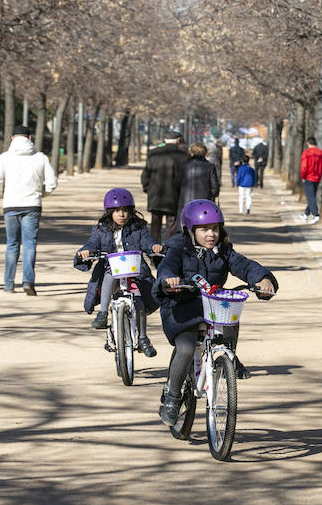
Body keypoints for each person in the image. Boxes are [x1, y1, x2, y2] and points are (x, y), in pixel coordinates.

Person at [152, 199, 278, 426]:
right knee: (186, 348)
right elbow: (166, 268)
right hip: (182, 307)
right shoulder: (178, 248)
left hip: (212, 307)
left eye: (215, 228)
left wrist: (262, 278)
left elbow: (244, 265)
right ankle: (172, 396)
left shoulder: (224, 251)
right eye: (204, 229)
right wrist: (168, 281)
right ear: (190, 230)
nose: (211, 234)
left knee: (230, 316)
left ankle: (228, 356)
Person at [75, 188, 163, 357]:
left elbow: (147, 241)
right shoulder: (101, 229)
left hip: (134, 272)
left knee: (139, 301)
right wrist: (85, 252)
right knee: (109, 275)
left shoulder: (138, 228)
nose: (121, 214)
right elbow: (92, 244)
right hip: (111, 269)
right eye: (116, 211)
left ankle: (143, 338)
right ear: (109, 212)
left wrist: (154, 247)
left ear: (131, 211)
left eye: (125, 210)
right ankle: (103, 314)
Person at [0, 125, 58, 295]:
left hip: (10, 205)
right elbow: (52, 182)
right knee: (29, 244)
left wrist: (2, 194)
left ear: (12, 138)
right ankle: (28, 281)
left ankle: (8, 284)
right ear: (29, 138)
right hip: (32, 205)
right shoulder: (41, 158)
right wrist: (41, 194)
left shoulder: (4, 158)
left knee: (12, 244)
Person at [141, 130, 189, 242]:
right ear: (178, 140)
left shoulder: (153, 153)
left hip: (155, 194)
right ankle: (169, 247)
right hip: (174, 195)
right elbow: (185, 178)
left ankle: (154, 247)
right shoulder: (183, 156)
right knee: (171, 223)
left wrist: (148, 189)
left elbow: (145, 175)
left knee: (155, 223)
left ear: (164, 140)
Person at [174, 142, 220, 229]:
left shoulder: (182, 165)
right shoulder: (210, 166)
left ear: (191, 152)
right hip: (203, 204)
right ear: (205, 153)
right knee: (200, 228)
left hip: (184, 202)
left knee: (184, 228)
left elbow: (176, 185)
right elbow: (215, 189)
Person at [299, 137, 322, 224]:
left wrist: (303, 176)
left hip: (308, 177)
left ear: (307, 143)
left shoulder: (306, 153)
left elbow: (304, 166)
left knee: (310, 197)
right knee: (312, 196)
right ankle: (306, 214)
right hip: (317, 177)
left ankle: (315, 215)